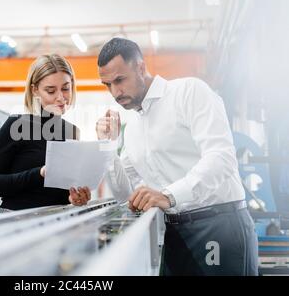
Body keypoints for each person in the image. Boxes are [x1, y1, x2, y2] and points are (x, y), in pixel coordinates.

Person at [95, 37, 258, 275]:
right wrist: (106, 147)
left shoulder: (188, 92)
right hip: (176, 232)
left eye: (120, 80)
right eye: (107, 85)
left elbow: (221, 158)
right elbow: (126, 194)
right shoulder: (132, 130)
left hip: (219, 226)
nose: (115, 92)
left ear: (140, 67)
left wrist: (169, 195)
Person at [0, 54, 91, 212]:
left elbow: (59, 192)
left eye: (66, 88)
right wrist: (40, 174)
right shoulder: (17, 125)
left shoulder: (71, 132)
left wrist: (73, 197)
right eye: (51, 91)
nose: (61, 97)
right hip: (16, 222)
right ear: (35, 91)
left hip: (56, 220)